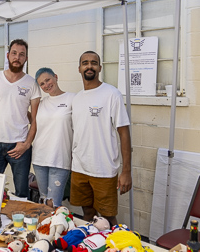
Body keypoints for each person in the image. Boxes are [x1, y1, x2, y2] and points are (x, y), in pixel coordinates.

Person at [70, 51, 132, 226]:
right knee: (87, 213)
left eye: (93, 63)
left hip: (104, 169)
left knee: (108, 218)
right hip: (80, 167)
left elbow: (124, 133)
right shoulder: (77, 99)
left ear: (100, 67)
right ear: (79, 68)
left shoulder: (112, 94)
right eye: (85, 63)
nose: (89, 66)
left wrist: (126, 171)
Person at [0, 39, 41, 198]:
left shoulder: (31, 83)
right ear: (8, 55)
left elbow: (35, 119)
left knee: (21, 193)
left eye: (21, 54)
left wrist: (26, 144)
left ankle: (20, 222)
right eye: (14, 53)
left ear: (26, 58)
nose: (17, 57)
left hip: (19, 146)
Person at [32, 67, 75, 208]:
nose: (46, 85)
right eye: (42, 84)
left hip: (60, 158)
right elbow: (33, 123)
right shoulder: (41, 103)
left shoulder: (72, 99)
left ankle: (56, 228)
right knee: (44, 201)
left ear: (55, 77)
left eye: (48, 80)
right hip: (39, 158)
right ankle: (44, 229)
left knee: (54, 203)